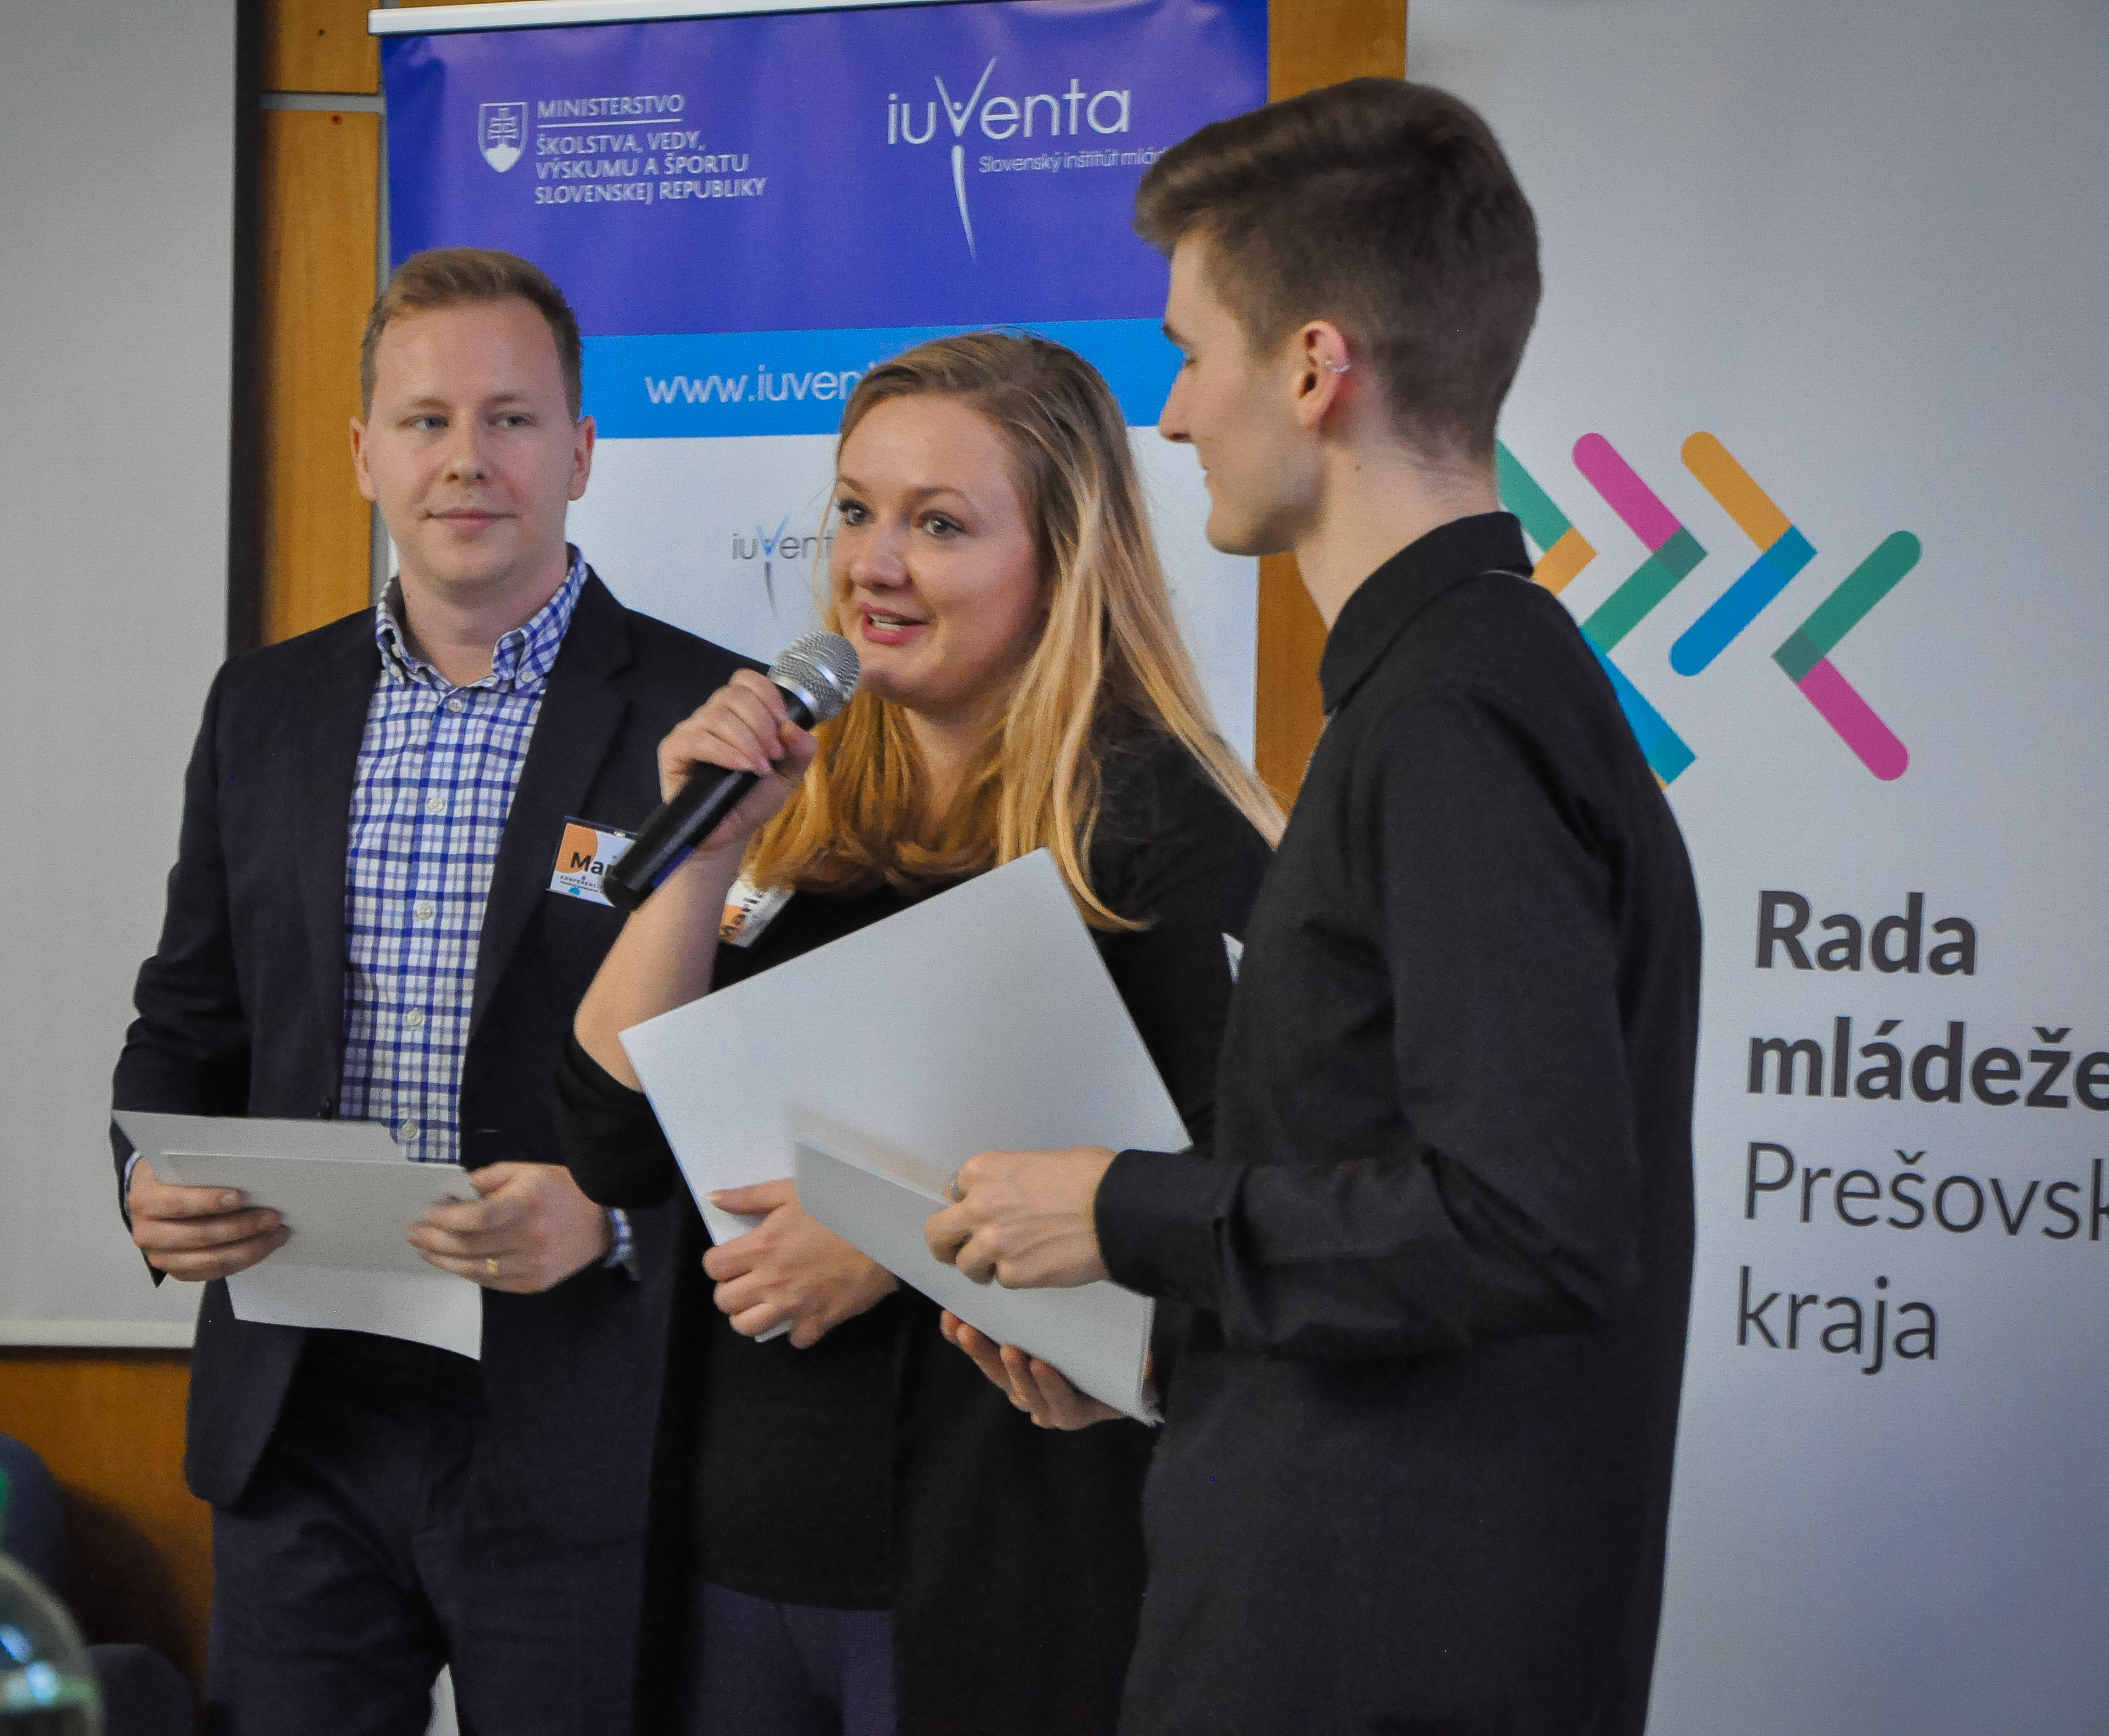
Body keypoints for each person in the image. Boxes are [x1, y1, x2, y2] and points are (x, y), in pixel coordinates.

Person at [923, 80, 1704, 1735]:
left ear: (1312, 368)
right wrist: (1169, 1356)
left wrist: (1126, 1212)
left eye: (1190, 353)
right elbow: (1420, 1211)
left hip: (1372, 1656)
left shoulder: (1452, 718)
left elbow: (1532, 1219)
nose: (1172, 415)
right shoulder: (1460, 689)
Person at [557, 331, 1277, 1736]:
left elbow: (1233, 1215)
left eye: (937, 524)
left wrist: (892, 1234)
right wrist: (702, 855)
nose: (871, 566)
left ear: (1059, 561)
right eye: (854, 510)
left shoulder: (1160, 842)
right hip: (731, 1560)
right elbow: (608, 1138)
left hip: (999, 1569)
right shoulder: (798, 811)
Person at [108, 247, 745, 1735]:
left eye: (511, 419)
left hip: (582, 1416)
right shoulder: (262, 705)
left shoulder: (711, 723)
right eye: (425, 420)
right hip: (301, 1413)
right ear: (363, 454)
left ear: (580, 452)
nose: (467, 459)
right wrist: (145, 1178)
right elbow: (187, 1018)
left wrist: (615, 1214)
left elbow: (773, 1076)